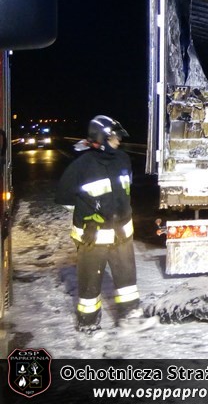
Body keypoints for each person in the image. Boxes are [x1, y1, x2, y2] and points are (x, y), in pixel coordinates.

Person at [56, 114, 142, 333]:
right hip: (92, 238)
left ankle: (130, 315)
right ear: (102, 138)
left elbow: (125, 192)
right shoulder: (82, 165)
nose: (119, 140)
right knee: (90, 283)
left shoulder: (122, 159)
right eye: (114, 136)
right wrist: (88, 218)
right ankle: (88, 323)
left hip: (121, 234)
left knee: (127, 281)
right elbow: (64, 198)